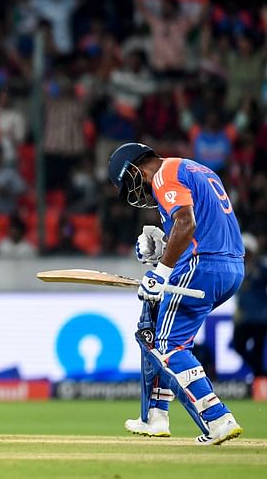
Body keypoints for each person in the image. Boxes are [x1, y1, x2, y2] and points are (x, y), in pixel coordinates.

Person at [108, 142, 244, 445]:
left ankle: (218, 418)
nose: (135, 192)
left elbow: (187, 222)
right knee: (160, 335)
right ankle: (156, 417)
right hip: (231, 267)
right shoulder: (197, 168)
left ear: (135, 168)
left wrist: (161, 272)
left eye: (129, 182)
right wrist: (162, 248)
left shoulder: (163, 173)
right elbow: (201, 225)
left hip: (201, 266)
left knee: (169, 347)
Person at [232, 233, 267, 378]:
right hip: (244, 316)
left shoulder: (262, 267)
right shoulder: (238, 267)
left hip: (260, 315)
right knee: (239, 345)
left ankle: (260, 380)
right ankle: (261, 374)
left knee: (258, 349)